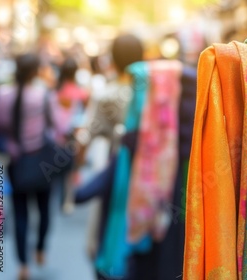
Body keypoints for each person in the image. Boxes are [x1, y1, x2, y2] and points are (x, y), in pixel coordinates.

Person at [74, 33, 144, 280]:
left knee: (106, 234)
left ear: (113, 59)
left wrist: (76, 172)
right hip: (149, 175)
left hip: (115, 174)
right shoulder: (152, 93)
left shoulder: (107, 95)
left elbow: (84, 138)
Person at [0, 53, 56, 280]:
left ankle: (23, 264)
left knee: (20, 214)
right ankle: (39, 248)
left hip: (17, 162)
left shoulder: (2, 94)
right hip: (42, 161)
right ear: (35, 71)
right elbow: (52, 126)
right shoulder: (42, 94)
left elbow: (0, 126)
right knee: (44, 210)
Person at [53, 56, 89, 214]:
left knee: (58, 169)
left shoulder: (55, 90)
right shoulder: (81, 93)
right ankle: (67, 200)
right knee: (71, 169)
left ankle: (59, 197)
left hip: (56, 136)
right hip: (74, 135)